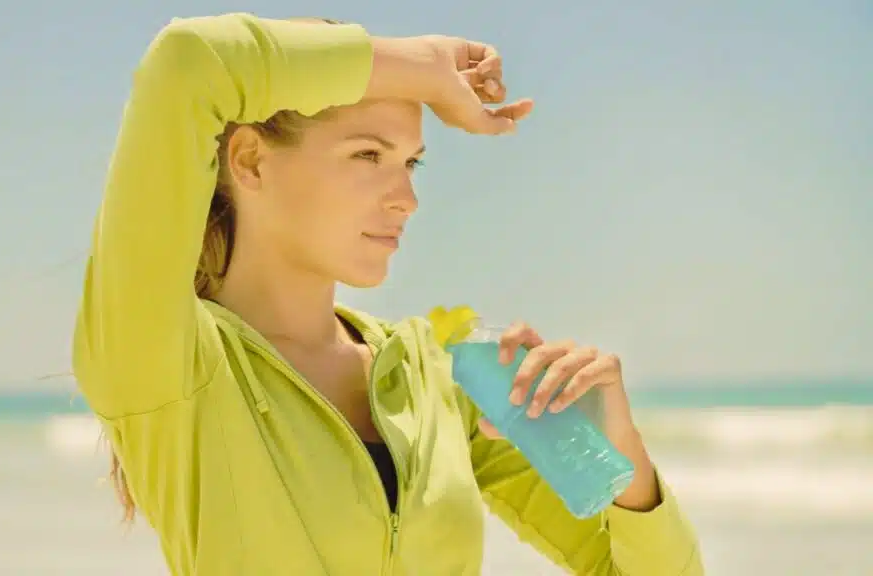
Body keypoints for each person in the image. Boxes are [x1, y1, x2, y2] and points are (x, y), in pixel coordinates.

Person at [72, 12, 703, 576]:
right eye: (368, 155)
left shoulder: (439, 378)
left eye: (411, 163)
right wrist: (422, 66)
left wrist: (624, 466)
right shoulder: (163, 358)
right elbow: (190, 63)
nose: (406, 199)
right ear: (251, 160)